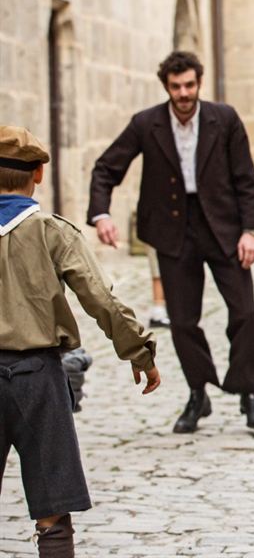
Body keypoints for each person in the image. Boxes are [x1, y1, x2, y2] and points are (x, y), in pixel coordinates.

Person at [0, 126, 161, 558]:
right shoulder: (53, 232)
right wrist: (138, 350)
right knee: (52, 510)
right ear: (38, 174)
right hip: (37, 378)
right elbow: (100, 296)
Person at [88, 50, 254, 433]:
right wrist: (101, 214)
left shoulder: (225, 119)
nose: (184, 93)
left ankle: (247, 392)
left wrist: (250, 231)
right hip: (172, 232)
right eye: (176, 87)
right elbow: (106, 168)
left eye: (189, 85)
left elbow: (246, 178)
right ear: (166, 87)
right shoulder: (146, 123)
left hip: (223, 228)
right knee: (183, 322)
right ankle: (197, 392)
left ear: (199, 82)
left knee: (245, 314)